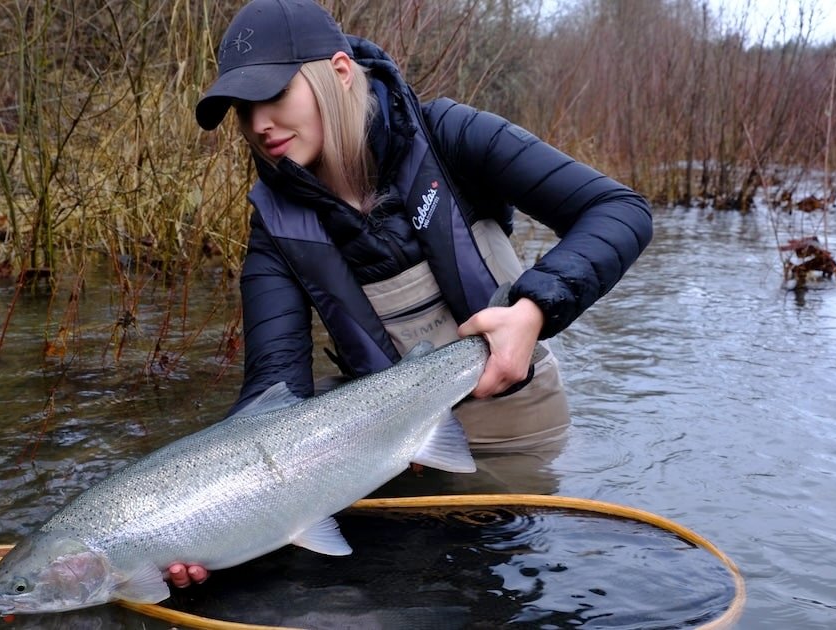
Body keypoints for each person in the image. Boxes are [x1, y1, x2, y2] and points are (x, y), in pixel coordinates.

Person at [166, 0, 653, 588]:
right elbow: (273, 391)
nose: (258, 122)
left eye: (273, 95)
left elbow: (619, 210)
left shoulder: (452, 134)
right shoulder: (274, 223)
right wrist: (206, 524)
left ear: (340, 71)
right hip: (381, 443)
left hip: (511, 427)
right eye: (242, 109)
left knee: (496, 580)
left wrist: (532, 312)